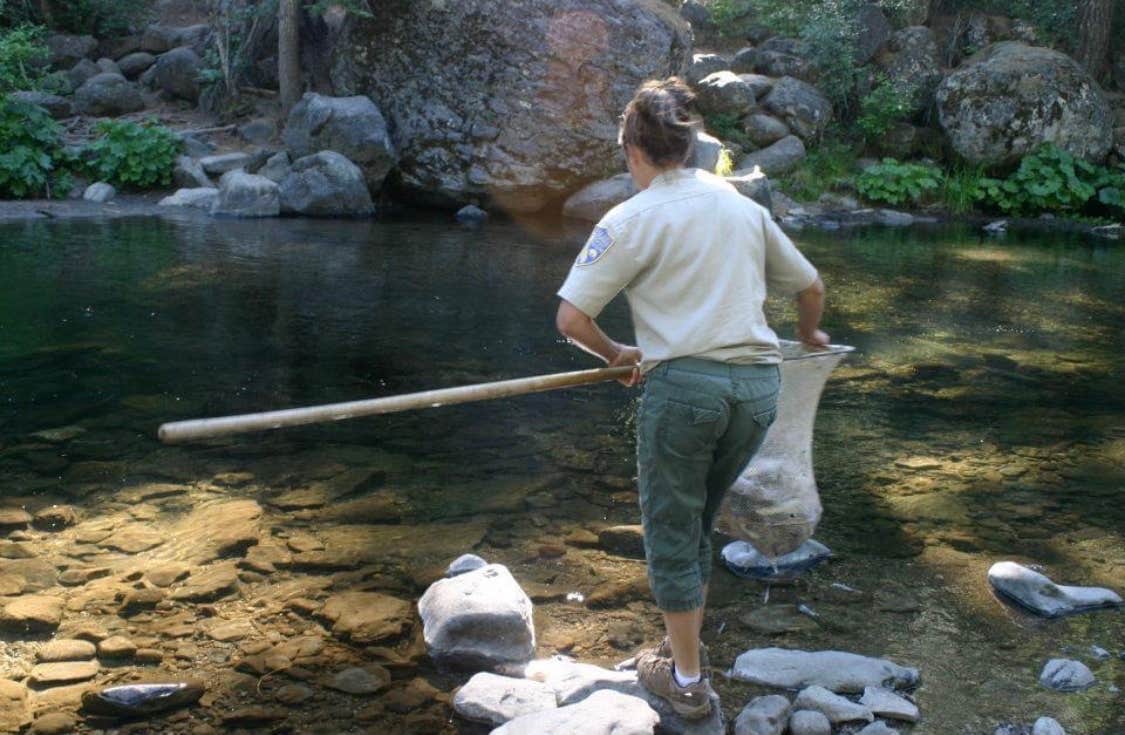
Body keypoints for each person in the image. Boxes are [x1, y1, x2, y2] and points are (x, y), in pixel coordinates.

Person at [554, 77, 828, 719]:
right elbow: (809, 286)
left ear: (633, 149)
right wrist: (810, 334)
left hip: (686, 394)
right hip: (759, 391)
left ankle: (685, 679)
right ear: (690, 146)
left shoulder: (628, 218)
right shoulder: (742, 207)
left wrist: (616, 354)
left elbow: (571, 319)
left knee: (673, 531)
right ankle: (687, 649)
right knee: (698, 516)